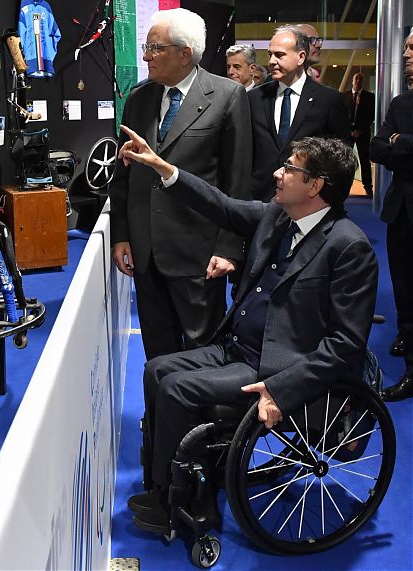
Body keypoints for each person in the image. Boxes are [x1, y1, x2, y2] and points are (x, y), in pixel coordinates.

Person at [118, 125, 378, 535]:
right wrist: (162, 167)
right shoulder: (278, 216)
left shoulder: (348, 246)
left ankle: (184, 502)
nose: (277, 173)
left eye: (289, 169)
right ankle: (166, 483)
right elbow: (220, 205)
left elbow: (346, 343)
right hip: (237, 346)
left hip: (276, 366)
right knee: (156, 370)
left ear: (315, 186)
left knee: (176, 388)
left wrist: (282, 389)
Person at [109, 8, 252, 363]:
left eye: (154, 48)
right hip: (145, 253)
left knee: (203, 355)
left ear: (185, 53)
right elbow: (124, 175)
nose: (146, 56)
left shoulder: (228, 96)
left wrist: (229, 249)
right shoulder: (138, 98)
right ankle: (160, 403)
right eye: (146, 47)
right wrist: (121, 234)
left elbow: (237, 181)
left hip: (199, 255)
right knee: (158, 354)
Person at [248, 25, 350, 201]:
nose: (271, 61)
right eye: (269, 54)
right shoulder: (254, 98)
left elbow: (341, 159)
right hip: (259, 200)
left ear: (301, 57)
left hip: (308, 201)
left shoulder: (329, 100)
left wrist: (332, 201)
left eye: (279, 55)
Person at [369, 31, 413, 401]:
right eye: (406, 46)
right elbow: (377, 148)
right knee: (405, 290)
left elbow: (392, 146)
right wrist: (396, 144)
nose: (406, 53)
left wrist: (403, 141)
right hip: (401, 212)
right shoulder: (400, 103)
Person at [344, 72, 375, 197]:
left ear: (363, 82)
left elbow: (371, 115)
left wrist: (360, 130)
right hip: (347, 133)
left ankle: (368, 187)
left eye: (360, 79)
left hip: (363, 133)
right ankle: (344, 187)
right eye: (356, 79)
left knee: (364, 161)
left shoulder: (370, 97)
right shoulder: (344, 96)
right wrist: (348, 130)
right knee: (345, 160)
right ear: (352, 81)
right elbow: (341, 114)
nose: (358, 81)